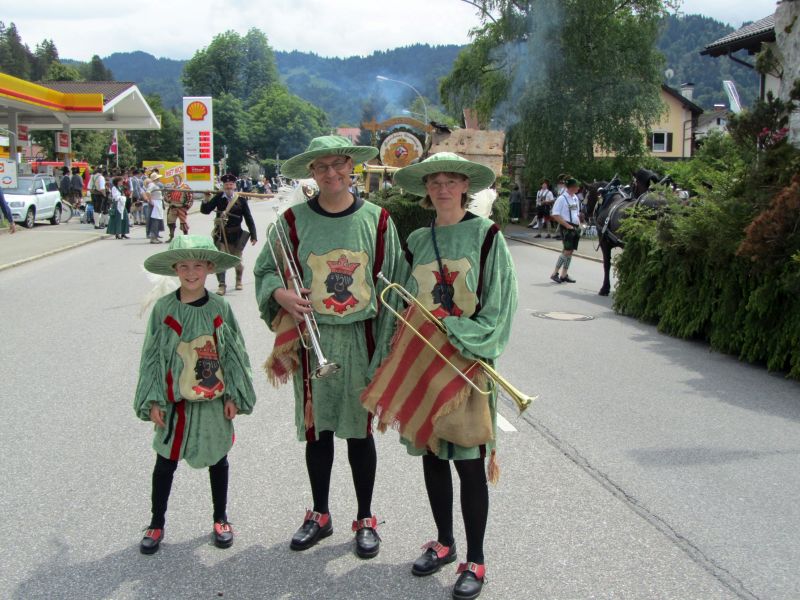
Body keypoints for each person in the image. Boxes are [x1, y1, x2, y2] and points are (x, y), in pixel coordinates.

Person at [253, 135, 407, 559]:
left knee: (359, 433)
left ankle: (365, 518)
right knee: (317, 431)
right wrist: (281, 295)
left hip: (361, 337)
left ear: (350, 166)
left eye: (338, 164)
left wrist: (387, 350)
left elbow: (394, 284)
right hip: (313, 337)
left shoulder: (378, 220)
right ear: (312, 173)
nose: (331, 173)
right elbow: (266, 270)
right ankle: (320, 513)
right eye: (321, 167)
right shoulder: (292, 221)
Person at [387, 152, 519, 600]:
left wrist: (460, 335)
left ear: (466, 187)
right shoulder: (417, 240)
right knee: (433, 455)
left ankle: (475, 560)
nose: (442, 188)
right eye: (434, 182)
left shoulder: (487, 236)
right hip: (425, 362)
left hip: (467, 362)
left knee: (468, 463)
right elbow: (402, 299)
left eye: (451, 181)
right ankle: (444, 542)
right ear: (426, 190)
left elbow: (500, 304)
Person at [134, 235, 257, 555]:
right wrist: (154, 399)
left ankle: (220, 518)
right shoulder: (164, 309)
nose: (191, 273)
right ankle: (156, 522)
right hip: (176, 403)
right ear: (175, 269)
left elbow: (234, 353)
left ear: (210, 268)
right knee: (165, 463)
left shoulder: (220, 307)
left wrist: (233, 395)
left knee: (218, 459)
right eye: (184, 266)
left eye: (198, 266)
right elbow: (152, 357)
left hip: (212, 401)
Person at [200, 173, 257, 295]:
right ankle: (222, 285)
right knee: (220, 260)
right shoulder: (218, 198)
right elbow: (205, 211)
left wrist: (253, 235)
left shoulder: (241, 200)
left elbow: (248, 218)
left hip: (237, 235)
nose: (229, 187)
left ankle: (238, 280)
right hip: (221, 235)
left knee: (237, 261)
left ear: (235, 186)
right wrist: (206, 199)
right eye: (226, 185)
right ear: (223, 186)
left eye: (231, 184)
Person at [549, 177, 582, 283]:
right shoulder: (562, 198)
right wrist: (567, 226)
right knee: (567, 250)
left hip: (575, 227)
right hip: (566, 227)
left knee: (570, 251)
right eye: (577, 186)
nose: (578, 188)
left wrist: (580, 223)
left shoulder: (575, 198)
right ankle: (555, 273)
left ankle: (564, 274)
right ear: (571, 187)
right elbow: (555, 214)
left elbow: (577, 213)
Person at [166, 173, 194, 241]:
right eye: (174, 179)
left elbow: (190, 198)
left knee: (183, 223)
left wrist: (186, 206)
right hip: (173, 207)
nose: (175, 180)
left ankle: (185, 237)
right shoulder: (172, 187)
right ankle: (171, 236)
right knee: (170, 222)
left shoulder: (185, 187)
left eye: (176, 179)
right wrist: (169, 200)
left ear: (180, 179)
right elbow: (167, 195)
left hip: (181, 207)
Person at [144, 171, 165, 244]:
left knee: (157, 220)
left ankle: (155, 236)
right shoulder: (152, 185)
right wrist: (150, 201)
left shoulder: (155, 185)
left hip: (157, 203)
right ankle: (153, 237)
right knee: (154, 221)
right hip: (155, 203)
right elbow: (148, 192)